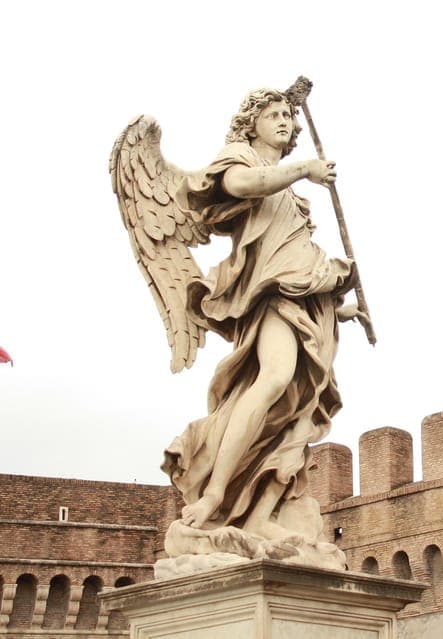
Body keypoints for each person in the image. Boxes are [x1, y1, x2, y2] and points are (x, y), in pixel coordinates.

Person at [160, 88, 363, 541]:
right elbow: (241, 187)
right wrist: (304, 170)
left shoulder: (288, 191)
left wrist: (339, 308)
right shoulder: (242, 159)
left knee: (295, 412)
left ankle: (259, 513)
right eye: (273, 114)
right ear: (252, 122)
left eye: (289, 115)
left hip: (303, 301)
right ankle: (214, 493)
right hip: (266, 294)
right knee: (273, 378)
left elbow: (297, 256)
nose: (284, 121)